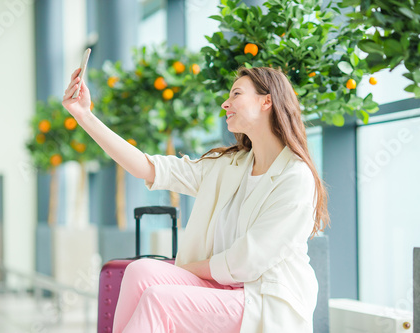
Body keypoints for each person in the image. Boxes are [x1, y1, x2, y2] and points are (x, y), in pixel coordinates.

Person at [62, 66, 329, 332]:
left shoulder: (295, 177)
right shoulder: (230, 165)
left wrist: (185, 270)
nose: (226, 103)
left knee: (160, 299)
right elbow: (146, 166)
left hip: (263, 299)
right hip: (222, 286)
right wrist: (84, 115)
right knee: (138, 271)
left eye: (236, 94)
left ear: (267, 101)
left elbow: (247, 262)